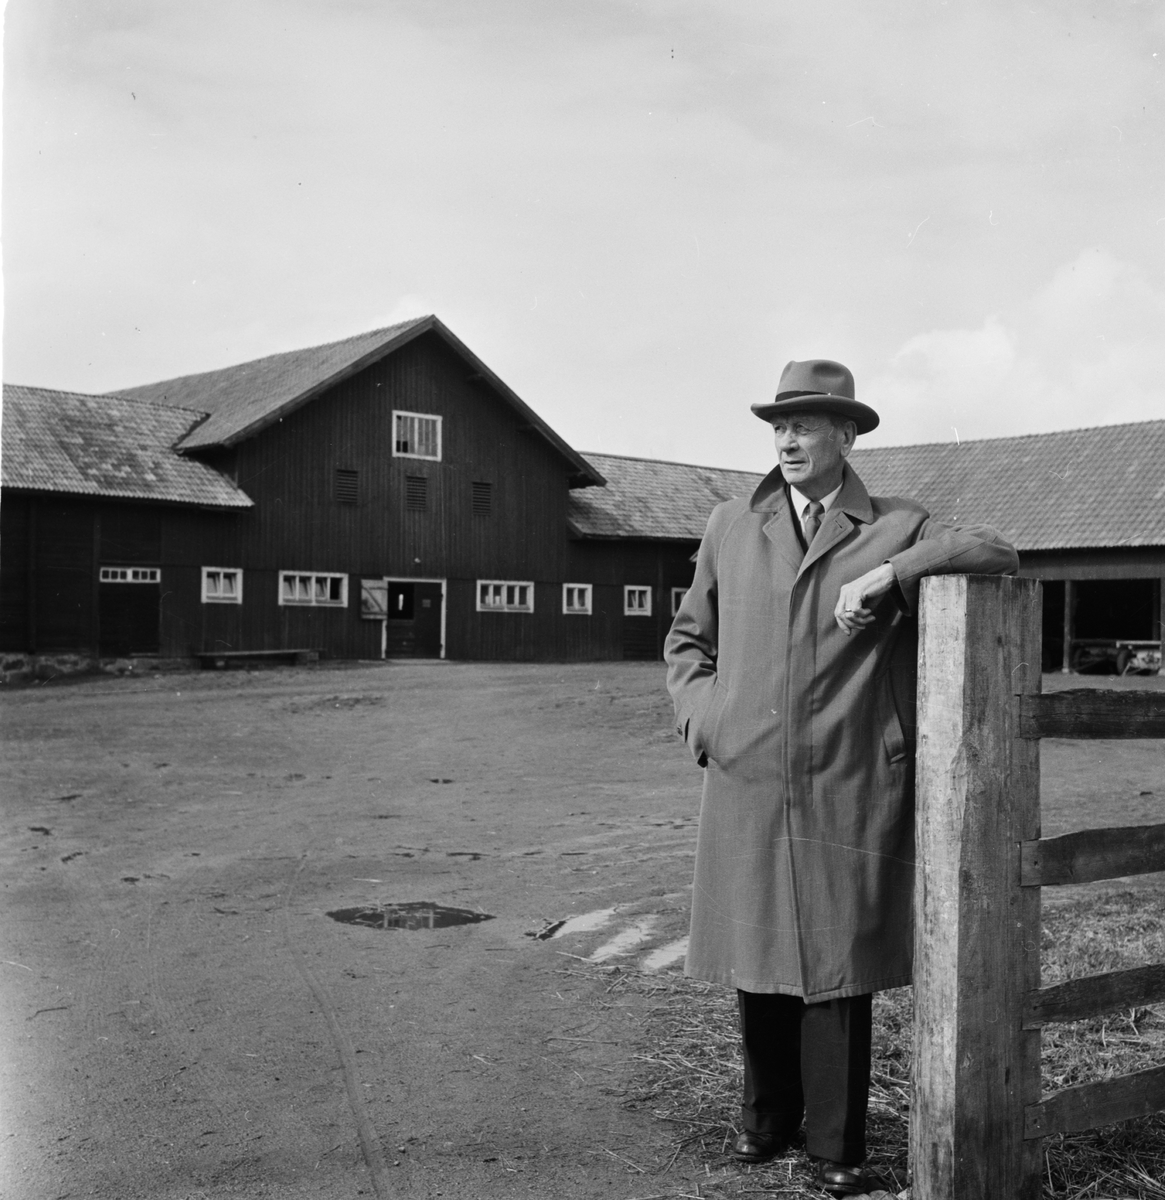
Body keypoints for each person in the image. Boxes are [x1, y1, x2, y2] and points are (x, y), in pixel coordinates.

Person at [664, 359, 1018, 1197]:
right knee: (757, 949)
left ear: (847, 436)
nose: (786, 439)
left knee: (834, 960)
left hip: (848, 773)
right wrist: (706, 721)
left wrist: (888, 573)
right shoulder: (728, 524)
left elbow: (995, 550)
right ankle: (764, 1122)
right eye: (778, 425)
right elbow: (687, 641)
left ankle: (836, 1147)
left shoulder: (898, 524)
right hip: (748, 767)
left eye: (806, 425)